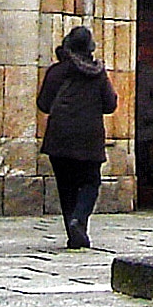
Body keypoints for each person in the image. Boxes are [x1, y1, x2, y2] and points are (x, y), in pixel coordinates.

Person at [37, 24, 117, 249]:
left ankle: (74, 231)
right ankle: (79, 220)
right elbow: (110, 105)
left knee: (66, 186)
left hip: (60, 136)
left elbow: (43, 104)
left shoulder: (57, 71)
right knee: (91, 181)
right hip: (89, 137)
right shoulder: (98, 73)